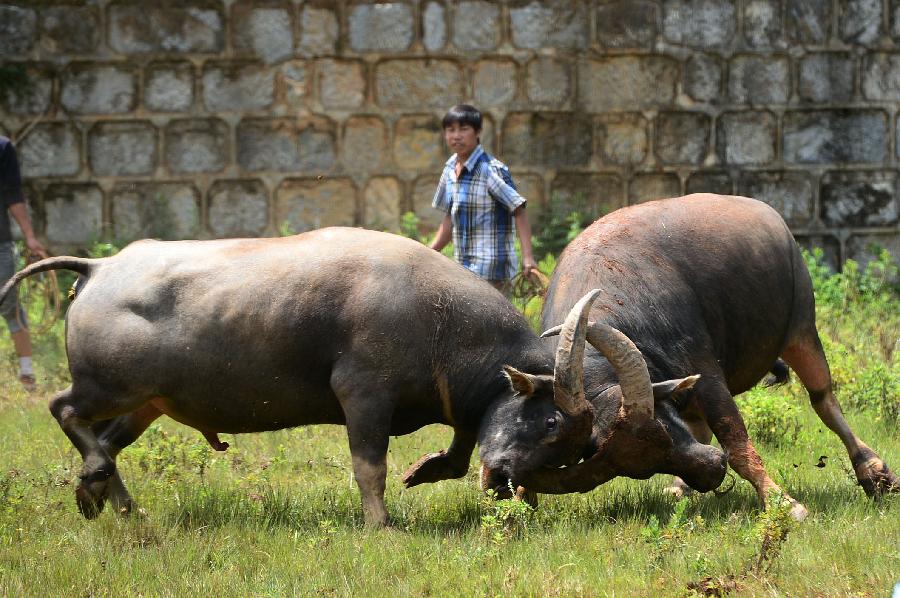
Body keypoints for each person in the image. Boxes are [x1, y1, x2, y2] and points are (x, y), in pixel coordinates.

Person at [430, 104, 537, 297]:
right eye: (451, 130)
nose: (456, 136)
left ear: (477, 132)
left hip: (493, 272)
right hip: (463, 269)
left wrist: (528, 257)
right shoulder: (449, 169)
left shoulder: (490, 170)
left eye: (464, 129)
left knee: (494, 327)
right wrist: (428, 253)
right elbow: (450, 218)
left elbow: (519, 209)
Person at [0, 135, 47, 391]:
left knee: (11, 307)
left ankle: (26, 373)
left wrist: (29, 235)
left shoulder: (2, 147)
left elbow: (13, 194)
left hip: (0, 243)